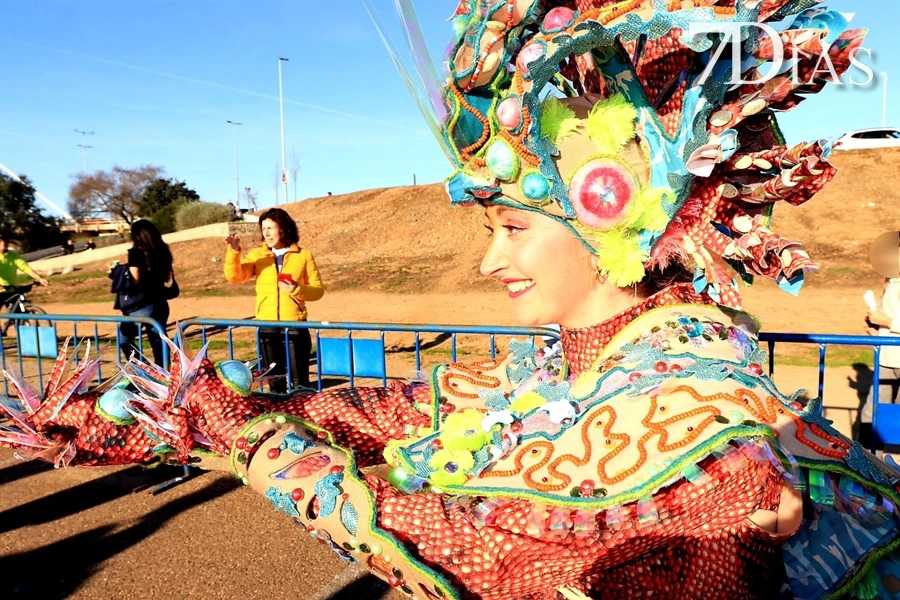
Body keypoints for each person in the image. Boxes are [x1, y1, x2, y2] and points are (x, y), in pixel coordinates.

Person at [3, 4, 900, 600]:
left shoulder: (702, 404)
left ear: (607, 223)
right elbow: (400, 407)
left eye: (511, 228)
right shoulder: (569, 361)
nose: (486, 261)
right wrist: (174, 420)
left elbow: (512, 559)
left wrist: (258, 448)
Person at [223, 207, 324, 391]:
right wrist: (234, 251)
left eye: (271, 228)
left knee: (299, 383)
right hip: (267, 327)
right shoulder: (258, 255)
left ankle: (300, 416)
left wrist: (297, 289)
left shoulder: (303, 255)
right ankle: (276, 418)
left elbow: (317, 291)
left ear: (283, 228)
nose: (266, 233)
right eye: (263, 229)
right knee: (273, 382)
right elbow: (235, 276)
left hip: (295, 326)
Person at [112, 219, 176, 366]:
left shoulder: (136, 253)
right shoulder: (163, 250)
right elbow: (167, 277)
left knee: (124, 339)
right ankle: (162, 375)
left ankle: (141, 370)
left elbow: (134, 278)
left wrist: (116, 271)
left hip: (141, 304)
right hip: (160, 301)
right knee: (158, 341)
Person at [862, 232, 900, 446]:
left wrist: (887, 322)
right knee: (874, 408)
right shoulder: (891, 282)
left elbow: (892, 320)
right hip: (886, 355)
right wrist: (877, 331)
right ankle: (866, 458)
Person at [0, 234, 49, 306]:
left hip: (11, 288)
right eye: (0, 241)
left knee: (17, 311)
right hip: (1, 288)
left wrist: (39, 278)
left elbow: (25, 268)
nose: (4, 243)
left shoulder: (13, 256)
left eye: (5, 240)